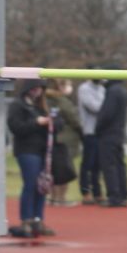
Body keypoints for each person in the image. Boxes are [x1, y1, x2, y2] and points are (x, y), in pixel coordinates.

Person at [6, 79, 57, 238]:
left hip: (42, 150)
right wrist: (36, 122)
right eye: (35, 88)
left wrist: (54, 122)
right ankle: (26, 220)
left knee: (41, 186)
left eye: (40, 88)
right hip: (27, 150)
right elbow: (16, 127)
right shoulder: (18, 105)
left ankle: (37, 219)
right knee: (30, 183)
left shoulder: (41, 106)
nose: (38, 91)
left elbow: (57, 126)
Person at [95, 73, 127, 207]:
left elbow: (107, 114)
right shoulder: (122, 90)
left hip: (108, 134)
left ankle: (114, 196)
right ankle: (123, 195)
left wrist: (98, 128)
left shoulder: (112, 91)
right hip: (118, 133)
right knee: (119, 165)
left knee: (109, 165)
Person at [46, 79, 82, 207]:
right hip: (65, 140)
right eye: (67, 85)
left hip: (52, 138)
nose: (69, 87)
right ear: (60, 86)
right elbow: (73, 118)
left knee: (53, 170)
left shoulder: (45, 99)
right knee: (64, 171)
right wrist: (81, 131)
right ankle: (60, 198)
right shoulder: (62, 101)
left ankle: (53, 197)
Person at [77, 72, 106, 205]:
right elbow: (94, 107)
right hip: (89, 131)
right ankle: (85, 192)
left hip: (101, 131)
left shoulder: (102, 89)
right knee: (87, 164)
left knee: (98, 165)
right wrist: (106, 108)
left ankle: (97, 192)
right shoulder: (84, 89)